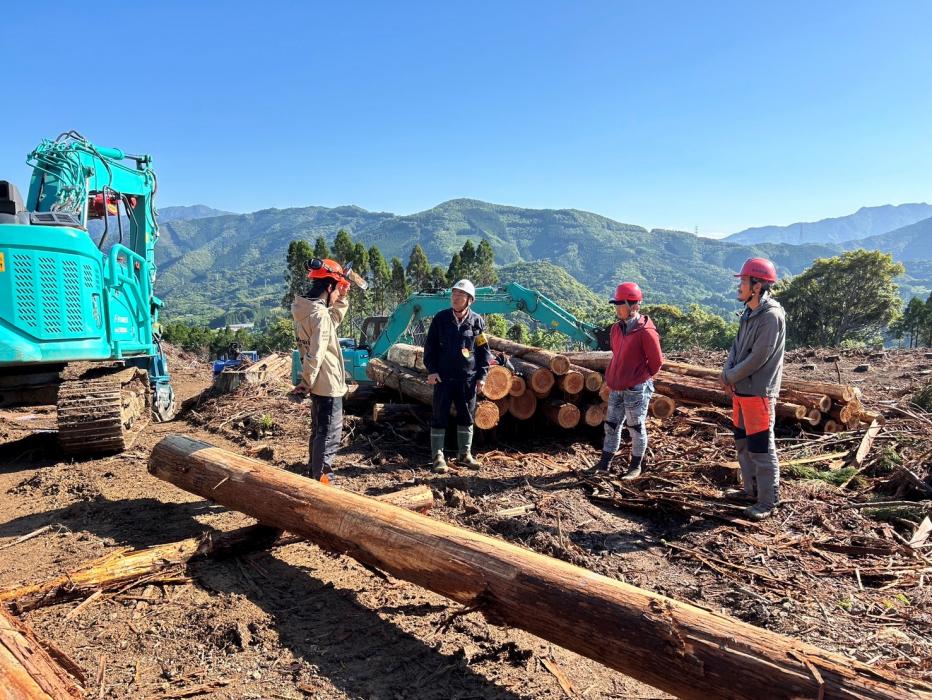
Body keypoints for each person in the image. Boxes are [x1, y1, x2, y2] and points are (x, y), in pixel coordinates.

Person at [719, 257, 786, 521]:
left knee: (761, 447)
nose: (740, 286)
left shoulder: (771, 316)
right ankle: (750, 491)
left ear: (757, 286)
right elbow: (737, 348)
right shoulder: (749, 313)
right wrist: (727, 375)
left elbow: (760, 356)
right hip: (741, 390)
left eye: (744, 281)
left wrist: (730, 376)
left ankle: (768, 500)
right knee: (743, 443)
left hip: (758, 392)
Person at [594, 282, 663, 479]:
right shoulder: (616, 329)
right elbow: (617, 355)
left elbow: (657, 362)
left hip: (636, 389)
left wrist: (638, 377)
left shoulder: (646, 331)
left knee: (635, 427)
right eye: (616, 304)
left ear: (634, 305)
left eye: (620, 304)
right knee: (612, 425)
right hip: (616, 386)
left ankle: (635, 467)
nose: (617, 308)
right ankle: (604, 464)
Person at [291, 258, 350, 485]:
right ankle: (324, 481)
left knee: (318, 432)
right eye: (336, 289)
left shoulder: (306, 310)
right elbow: (316, 354)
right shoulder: (319, 315)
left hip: (318, 383)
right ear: (328, 287)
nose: (337, 294)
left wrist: (342, 298)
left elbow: (331, 322)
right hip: (327, 383)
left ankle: (313, 476)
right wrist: (306, 382)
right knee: (328, 436)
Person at [423, 279, 491, 473]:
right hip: (443, 378)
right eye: (453, 294)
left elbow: (484, 351)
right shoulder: (440, 319)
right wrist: (432, 370)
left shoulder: (477, 322)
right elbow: (430, 348)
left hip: (467, 380)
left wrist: (482, 376)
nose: (455, 298)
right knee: (439, 415)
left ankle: (464, 454)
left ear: (469, 300)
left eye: (460, 295)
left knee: (466, 416)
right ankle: (437, 456)